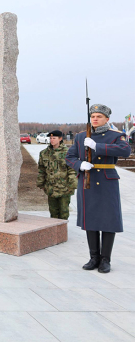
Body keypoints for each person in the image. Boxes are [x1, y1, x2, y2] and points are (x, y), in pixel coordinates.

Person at [66, 103, 131, 273]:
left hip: (107, 181)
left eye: (99, 116)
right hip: (88, 180)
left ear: (107, 119)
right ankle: (94, 258)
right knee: (91, 219)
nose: (95, 119)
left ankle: (105, 260)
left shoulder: (116, 135)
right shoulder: (81, 136)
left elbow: (125, 151)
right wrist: (79, 165)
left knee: (108, 220)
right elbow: (70, 156)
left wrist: (97, 146)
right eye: (93, 116)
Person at [37, 130, 76, 220]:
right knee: (53, 212)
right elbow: (42, 170)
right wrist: (41, 184)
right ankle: (55, 229)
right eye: (50, 138)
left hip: (64, 188)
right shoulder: (44, 153)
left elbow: (72, 170)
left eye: (54, 138)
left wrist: (72, 186)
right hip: (51, 188)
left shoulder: (68, 153)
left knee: (64, 212)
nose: (52, 140)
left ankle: (62, 228)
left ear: (60, 139)